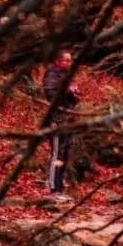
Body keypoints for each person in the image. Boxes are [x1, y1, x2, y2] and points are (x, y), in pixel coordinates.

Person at [42, 50, 79, 195]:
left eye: (70, 60)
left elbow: (75, 99)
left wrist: (73, 93)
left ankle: (60, 187)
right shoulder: (51, 75)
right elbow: (51, 96)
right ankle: (53, 187)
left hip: (68, 120)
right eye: (66, 60)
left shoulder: (68, 76)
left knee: (65, 154)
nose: (69, 63)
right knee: (57, 154)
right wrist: (68, 91)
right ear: (58, 61)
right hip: (56, 120)